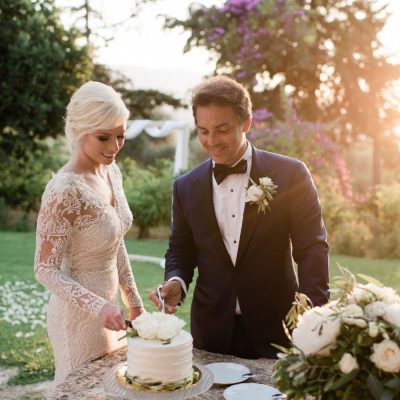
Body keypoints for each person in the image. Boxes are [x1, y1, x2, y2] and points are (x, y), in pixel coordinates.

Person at [150, 76, 329, 359]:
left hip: (278, 327)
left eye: (222, 130)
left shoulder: (291, 174)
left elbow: (312, 249)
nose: (211, 142)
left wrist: (314, 317)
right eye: (203, 131)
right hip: (210, 332)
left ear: (246, 123)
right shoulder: (184, 187)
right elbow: (181, 250)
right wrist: (177, 281)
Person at [34, 81, 144, 385]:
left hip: (113, 314)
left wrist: (133, 301)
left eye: (120, 136)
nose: (114, 147)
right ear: (80, 130)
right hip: (77, 318)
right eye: (103, 137)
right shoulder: (64, 190)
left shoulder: (112, 172)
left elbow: (115, 240)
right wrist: (99, 306)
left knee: (116, 388)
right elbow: (44, 269)